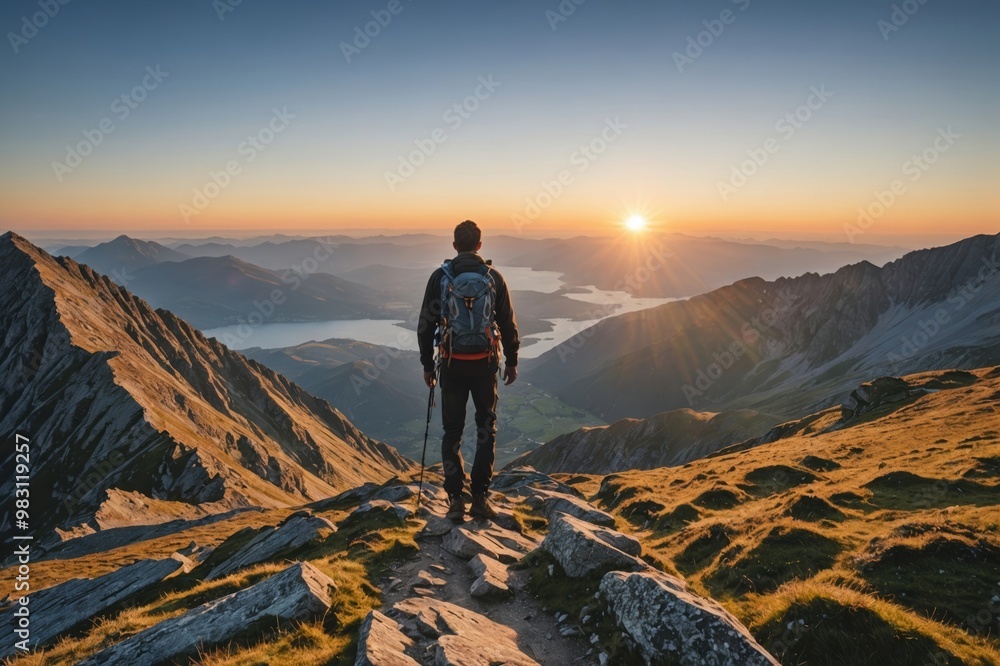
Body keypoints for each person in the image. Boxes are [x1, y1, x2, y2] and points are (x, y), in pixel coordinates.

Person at [418, 220, 519, 522]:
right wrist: (511, 362)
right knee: (485, 429)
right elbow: (508, 324)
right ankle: (479, 498)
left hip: (451, 365)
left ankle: (454, 502)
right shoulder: (493, 277)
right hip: (485, 365)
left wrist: (427, 366)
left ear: (453, 246)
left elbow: (425, 326)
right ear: (479, 245)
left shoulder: (440, 278)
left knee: (452, 432)